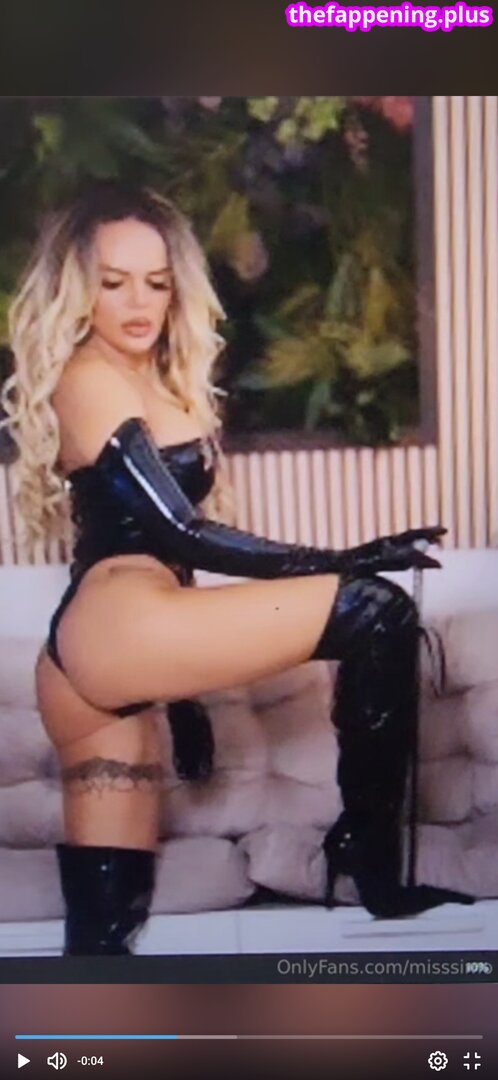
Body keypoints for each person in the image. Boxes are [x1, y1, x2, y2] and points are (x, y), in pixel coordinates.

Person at [0, 179, 473, 956]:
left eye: (156, 282)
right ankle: (369, 866)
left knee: (106, 931)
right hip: (114, 628)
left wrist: (183, 702)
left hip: (104, 660)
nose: (138, 302)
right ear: (78, 289)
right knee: (375, 609)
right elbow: (178, 532)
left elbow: (166, 562)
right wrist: (345, 561)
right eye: (113, 282)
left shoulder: (153, 380)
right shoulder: (87, 376)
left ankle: (82, 1026)